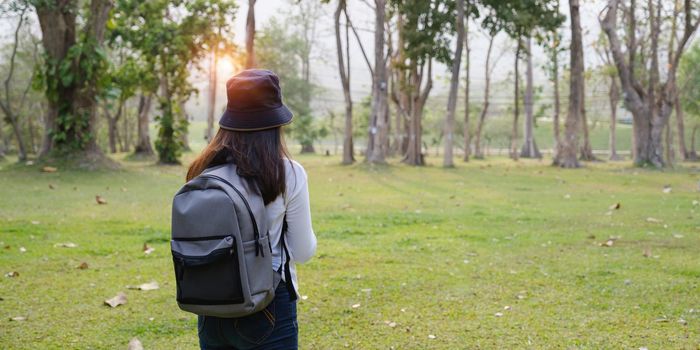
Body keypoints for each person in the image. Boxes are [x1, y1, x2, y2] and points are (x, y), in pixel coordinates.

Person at [185, 69, 317, 349]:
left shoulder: (203, 170)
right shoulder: (288, 173)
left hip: (211, 305)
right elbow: (303, 251)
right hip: (267, 302)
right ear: (274, 124)